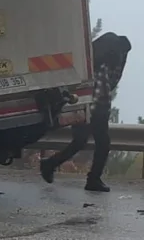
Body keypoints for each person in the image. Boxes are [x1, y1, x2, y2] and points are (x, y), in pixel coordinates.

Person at [40, 32, 132, 192]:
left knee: (81, 141)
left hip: (83, 104)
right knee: (101, 143)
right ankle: (91, 179)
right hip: (96, 107)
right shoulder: (112, 60)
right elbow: (110, 84)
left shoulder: (93, 58)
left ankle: (52, 165)